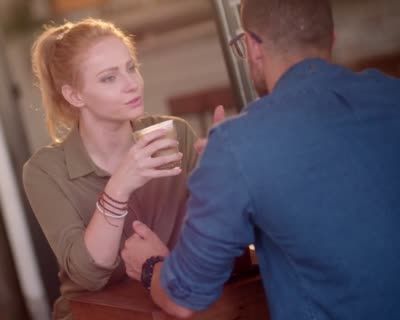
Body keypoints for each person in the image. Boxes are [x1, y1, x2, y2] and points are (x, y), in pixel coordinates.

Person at [121, 0, 400, 319]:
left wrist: (149, 266)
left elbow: (183, 298)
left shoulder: (235, 144)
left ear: (253, 47)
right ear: (332, 39)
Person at [22, 19, 201, 320]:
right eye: (109, 78)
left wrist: (226, 178)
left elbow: (216, 236)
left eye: (131, 67)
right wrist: (119, 187)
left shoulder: (174, 135)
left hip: (171, 304)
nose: (132, 83)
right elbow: (89, 275)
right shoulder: (44, 171)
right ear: (74, 95)